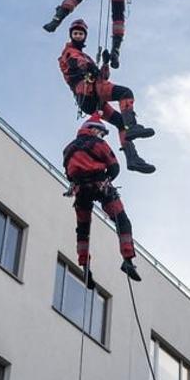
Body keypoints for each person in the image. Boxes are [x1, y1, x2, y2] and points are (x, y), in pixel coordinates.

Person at [58, 19, 156, 174]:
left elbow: (101, 75)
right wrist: (89, 67)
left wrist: (104, 63)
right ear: (71, 35)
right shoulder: (70, 52)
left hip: (91, 99)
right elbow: (75, 63)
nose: (78, 36)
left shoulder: (84, 56)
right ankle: (133, 127)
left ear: (84, 36)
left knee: (119, 122)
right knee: (125, 93)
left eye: (80, 33)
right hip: (89, 91)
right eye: (75, 33)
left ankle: (132, 158)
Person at [63, 114, 141, 281]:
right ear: (94, 129)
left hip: (80, 191)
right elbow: (114, 167)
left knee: (83, 230)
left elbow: (69, 173)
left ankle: (85, 266)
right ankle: (127, 260)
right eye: (103, 133)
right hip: (100, 186)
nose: (103, 136)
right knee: (122, 220)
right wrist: (107, 178)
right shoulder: (98, 144)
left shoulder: (68, 149)